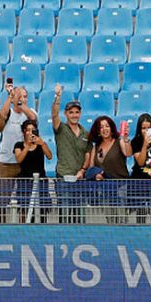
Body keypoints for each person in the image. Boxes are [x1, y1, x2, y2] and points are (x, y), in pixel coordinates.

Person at [50, 86, 90, 224]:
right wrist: (58, 97)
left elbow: (88, 154)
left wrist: (83, 170)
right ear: (66, 114)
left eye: (77, 112)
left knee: (80, 216)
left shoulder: (86, 133)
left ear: (80, 114)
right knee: (64, 214)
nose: (74, 115)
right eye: (71, 112)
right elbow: (54, 115)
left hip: (80, 179)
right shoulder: (60, 128)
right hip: (64, 176)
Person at [12, 119, 52, 221]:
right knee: (24, 209)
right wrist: (27, 146)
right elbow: (19, 159)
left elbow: (49, 156)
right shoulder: (18, 145)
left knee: (42, 210)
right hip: (24, 181)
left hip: (41, 181)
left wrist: (42, 143)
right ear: (24, 132)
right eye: (28, 130)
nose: (30, 133)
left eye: (33, 130)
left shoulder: (40, 144)